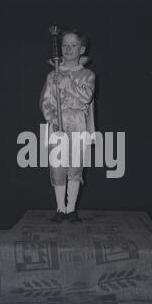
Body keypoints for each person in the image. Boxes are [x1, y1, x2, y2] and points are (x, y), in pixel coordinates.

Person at [40, 28, 96, 223]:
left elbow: (86, 97)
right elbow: (46, 102)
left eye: (73, 45)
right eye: (64, 45)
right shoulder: (51, 76)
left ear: (81, 49)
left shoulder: (87, 75)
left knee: (75, 168)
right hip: (58, 125)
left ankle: (71, 209)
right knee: (58, 166)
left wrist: (65, 83)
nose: (68, 48)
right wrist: (52, 120)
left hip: (78, 125)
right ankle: (60, 208)